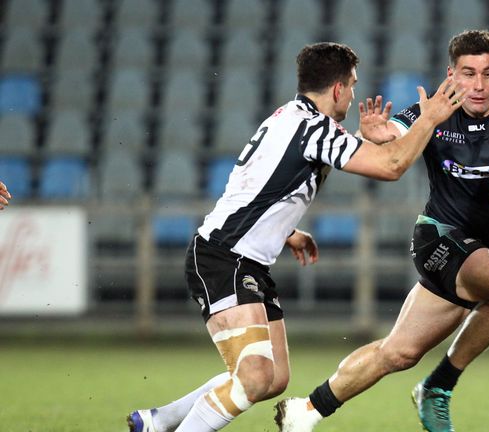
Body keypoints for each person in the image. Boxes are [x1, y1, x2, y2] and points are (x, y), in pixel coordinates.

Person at [126, 42, 465, 432]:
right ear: (338, 89)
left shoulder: (294, 119)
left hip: (244, 258)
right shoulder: (311, 127)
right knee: (253, 376)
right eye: (353, 85)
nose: (354, 94)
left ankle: (156, 421)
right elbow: (391, 166)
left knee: (272, 379)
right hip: (223, 257)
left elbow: (262, 183)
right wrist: (430, 119)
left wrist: (286, 229)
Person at [274, 29, 489, 432]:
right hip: (438, 238)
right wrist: (376, 136)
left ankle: (306, 411)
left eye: (487, 73)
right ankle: (439, 387)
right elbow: (392, 138)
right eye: (468, 73)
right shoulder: (434, 111)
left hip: (479, 251)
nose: (477, 85)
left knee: (399, 353)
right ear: (451, 74)